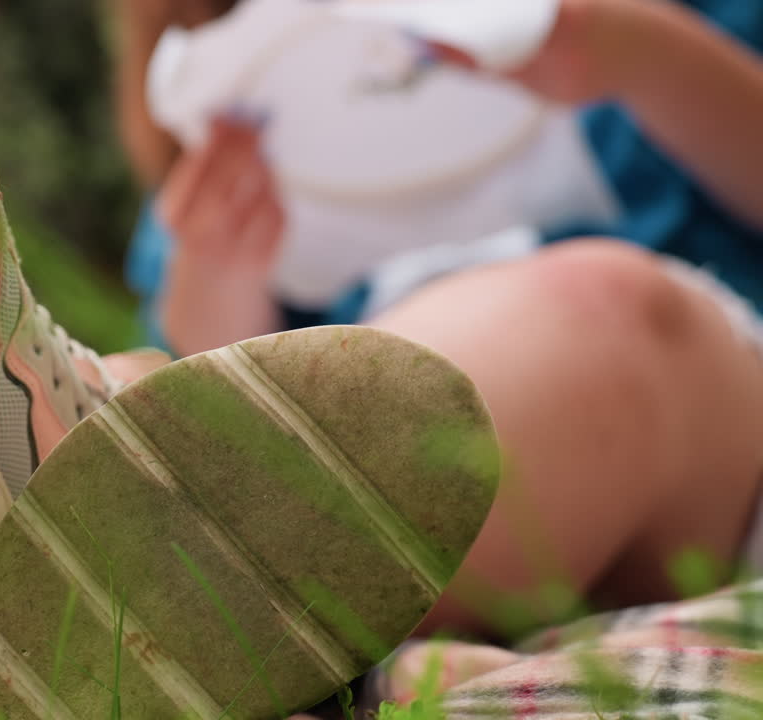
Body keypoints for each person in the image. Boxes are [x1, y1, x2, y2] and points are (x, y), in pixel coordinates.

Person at [111, 0, 763, 637]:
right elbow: (216, 399)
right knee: (165, 400)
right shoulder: (212, 144)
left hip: (706, 401)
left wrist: (638, 52)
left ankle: (219, 613)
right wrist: (220, 275)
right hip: (371, 479)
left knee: (596, 309)